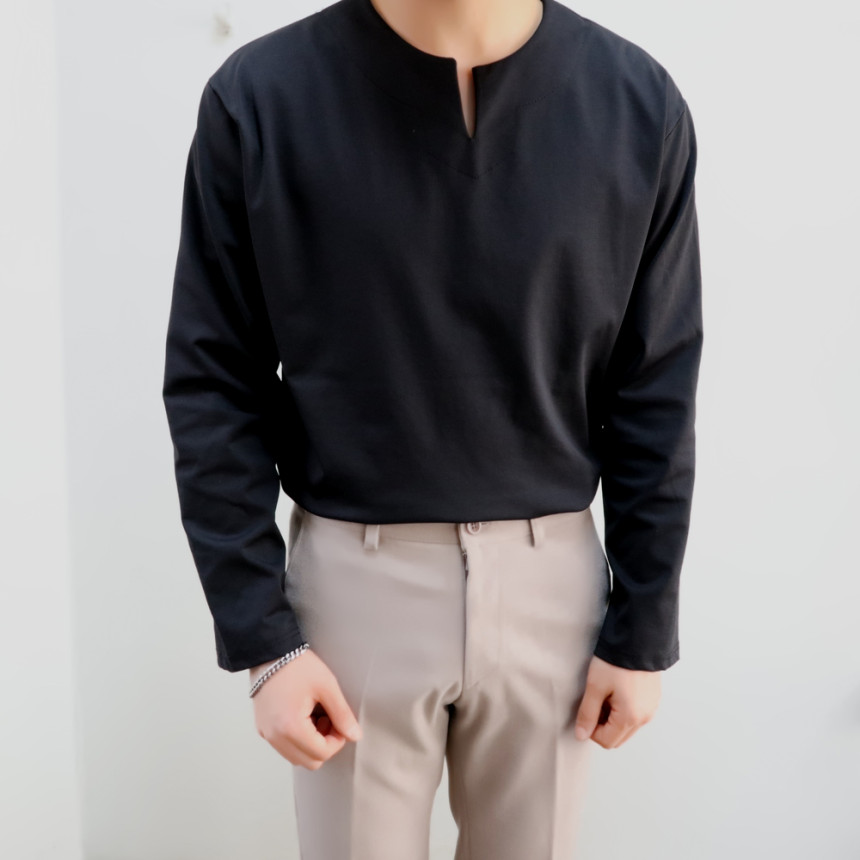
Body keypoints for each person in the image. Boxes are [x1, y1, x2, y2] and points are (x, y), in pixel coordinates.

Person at [161, 0, 703, 855]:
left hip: (554, 585)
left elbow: (655, 385)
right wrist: (265, 640)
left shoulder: (636, 102)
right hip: (352, 592)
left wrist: (643, 630)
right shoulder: (260, 98)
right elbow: (214, 381)